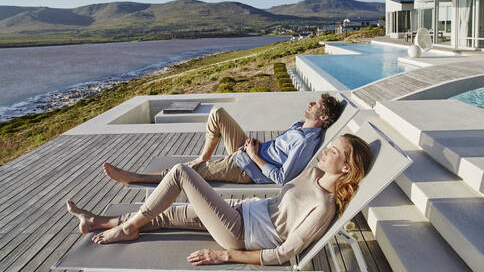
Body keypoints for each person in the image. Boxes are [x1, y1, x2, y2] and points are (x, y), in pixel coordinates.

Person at [67, 134, 373, 266]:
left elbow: (284, 253)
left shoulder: (324, 206)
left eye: (333, 151)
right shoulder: (313, 174)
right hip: (242, 212)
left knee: (181, 173)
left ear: (346, 168)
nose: (326, 151)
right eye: (329, 145)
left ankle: (126, 227)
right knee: (168, 215)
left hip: (240, 234)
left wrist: (225, 256)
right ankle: (95, 222)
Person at [104, 94, 345, 186]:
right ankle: (204, 156)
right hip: (250, 152)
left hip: (247, 169)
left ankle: (135, 178)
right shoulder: (301, 125)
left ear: (322, 116)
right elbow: (278, 150)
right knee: (218, 113)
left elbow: (283, 178)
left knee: (186, 171)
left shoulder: (306, 143)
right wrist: (255, 148)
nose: (310, 104)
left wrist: (253, 156)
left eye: (316, 105)